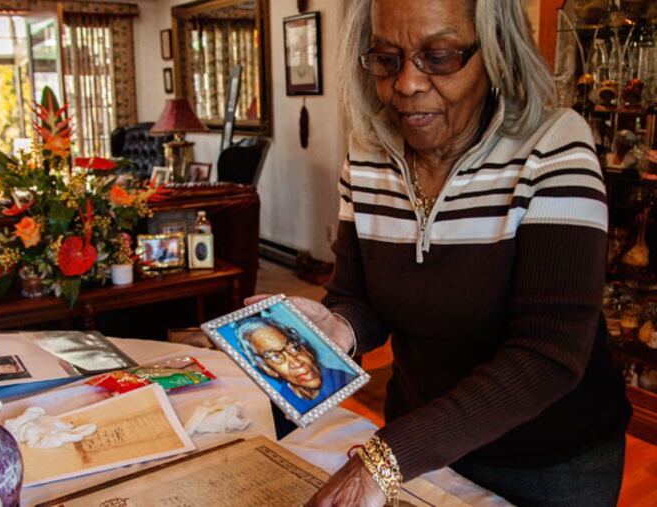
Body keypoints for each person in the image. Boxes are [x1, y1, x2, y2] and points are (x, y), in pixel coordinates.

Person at [249, 1, 631, 506]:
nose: (407, 85)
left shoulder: (553, 148)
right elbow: (357, 298)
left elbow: (547, 356)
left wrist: (386, 457)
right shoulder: (367, 155)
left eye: (441, 55)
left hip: (548, 462)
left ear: (496, 53)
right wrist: (340, 328)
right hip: (424, 441)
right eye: (387, 59)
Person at [234, 316, 354, 414]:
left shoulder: (345, 380)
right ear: (268, 369)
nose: (296, 362)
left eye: (294, 347)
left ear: (306, 350)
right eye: (275, 356)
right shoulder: (285, 404)